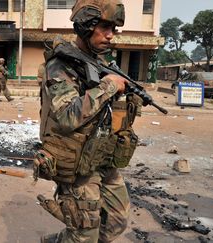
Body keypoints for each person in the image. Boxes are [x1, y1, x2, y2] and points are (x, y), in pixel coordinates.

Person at [34, 0, 142, 242]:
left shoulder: (101, 64)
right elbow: (66, 116)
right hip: (75, 164)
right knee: (84, 235)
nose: (111, 35)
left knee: (115, 223)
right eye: (105, 27)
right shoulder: (60, 65)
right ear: (85, 26)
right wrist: (109, 86)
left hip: (101, 156)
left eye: (113, 29)